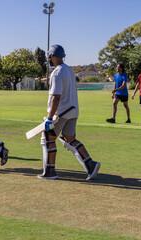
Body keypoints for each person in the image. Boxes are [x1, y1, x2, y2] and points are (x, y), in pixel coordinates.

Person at [39, 44, 100, 180]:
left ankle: (50, 171)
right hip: (73, 110)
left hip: (61, 112)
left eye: (49, 56)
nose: (49, 58)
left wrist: (49, 118)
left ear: (53, 56)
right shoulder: (69, 70)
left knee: (48, 139)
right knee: (69, 138)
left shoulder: (56, 73)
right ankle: (91, 164)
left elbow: (56, 97)